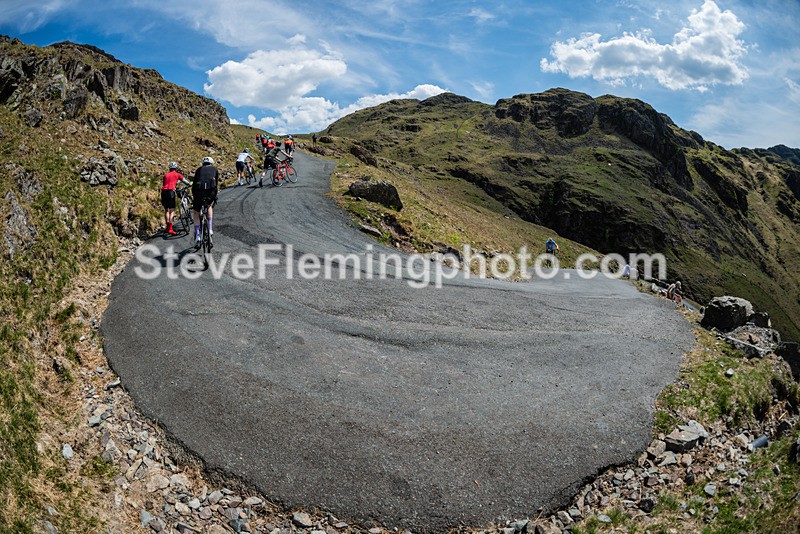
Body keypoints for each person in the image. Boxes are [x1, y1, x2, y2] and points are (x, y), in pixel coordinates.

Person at [192, 156, 219, 248]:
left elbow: (194, 184)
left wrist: (194, 196)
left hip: (199, 192)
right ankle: (210, 228)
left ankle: (198, 235)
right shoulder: (215, 169)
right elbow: (216, 184)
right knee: (209, 206)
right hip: (210, 192)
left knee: (196, 212)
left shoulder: (199, 170)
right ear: (211, 163)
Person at [161, 161, 191, 236]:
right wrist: (190, 184)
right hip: (171, 192)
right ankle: (170, 229)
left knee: (166, 210)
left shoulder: (165, 175)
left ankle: (167, 227)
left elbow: (164, 184)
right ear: (176, 168)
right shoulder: (177, 174)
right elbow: (185, 182)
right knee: (172, 210)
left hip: (164, 192)